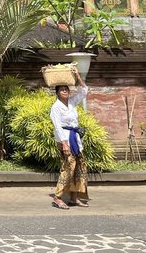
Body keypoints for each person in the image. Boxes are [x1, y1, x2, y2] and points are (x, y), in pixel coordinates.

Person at [50, 67, 89, 209]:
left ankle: (74, 197)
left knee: (79, 167)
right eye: (62, 90)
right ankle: (57, 197)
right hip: (65, 140)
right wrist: (64, 144)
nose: (65, 91)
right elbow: (57, 127)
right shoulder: (56, 107)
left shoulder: (72, 102)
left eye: (66, 89)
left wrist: (77, 75)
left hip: (75, 138)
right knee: (68, 167)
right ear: (58, 93)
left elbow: (84, 90)